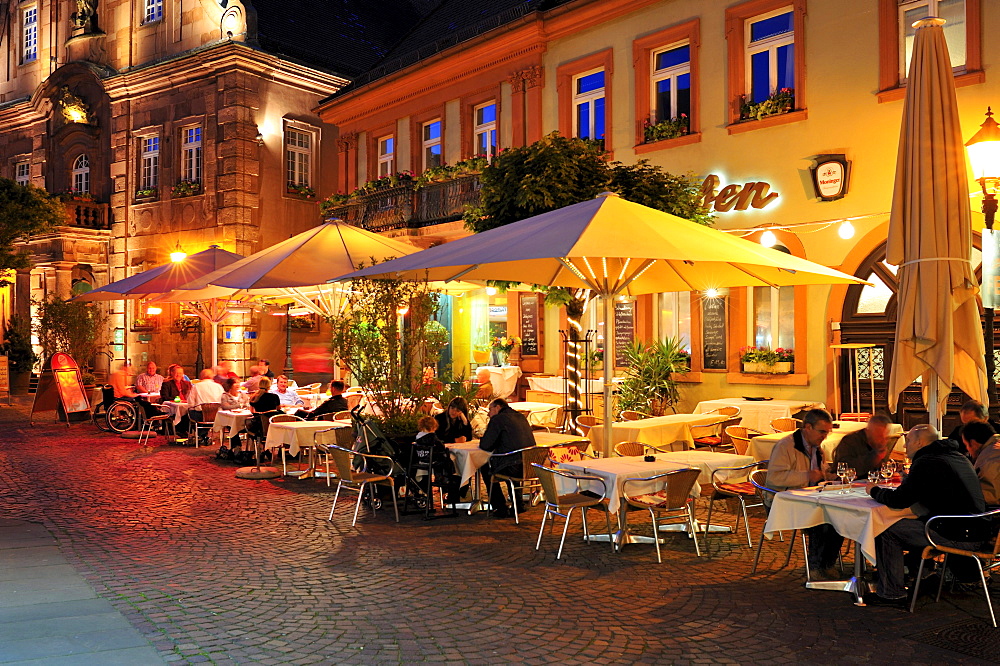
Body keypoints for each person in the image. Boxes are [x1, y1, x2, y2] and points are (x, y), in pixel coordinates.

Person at [865, 424, 988, 606]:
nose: (905, 447)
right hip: (977, 527)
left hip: (957, 532)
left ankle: (891, 593)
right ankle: (921, 571)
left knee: (885, 529)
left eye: (908, 442)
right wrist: (908, 479)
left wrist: (874, 490)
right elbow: (931, 489)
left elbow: (900, 500)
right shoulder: (955, 455)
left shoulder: (928, 461)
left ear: (920, 442)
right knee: (911, 521)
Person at [766, 408, 844, 579]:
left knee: (841, 516)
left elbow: (819, 473)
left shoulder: (817, 449)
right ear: (807, 427)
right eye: (822, 431)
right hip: (783, 501)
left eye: (827, 432)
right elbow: (774, 478)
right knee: (820, 521)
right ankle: (816, 567)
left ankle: (827, 563)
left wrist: (829, 476)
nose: (825, 436)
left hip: (811, 497)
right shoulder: (786, 446)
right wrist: (806, 476)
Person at [479, 398, 535, 518]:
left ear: (498, 407)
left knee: (484, 466)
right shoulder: (520, 416)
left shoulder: (498, 419)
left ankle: (499, 507)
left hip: (512, 466)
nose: (489, 413)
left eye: (490, 409)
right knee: (512, 459)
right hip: (529, 465)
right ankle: (518, 504)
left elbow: (486, 445)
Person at [413, 415, 461, 506]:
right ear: (433, 427)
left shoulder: (417, 438)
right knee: (449, 464)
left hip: (421, 461)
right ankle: (445, 483)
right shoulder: (432, 438)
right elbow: (441, 448)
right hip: (434, 462)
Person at [832, 414, 894, 479]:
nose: (883, 439)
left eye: (885, 436)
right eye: (879, 435)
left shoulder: (880, 445)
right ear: (868, 431)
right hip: (846, 484)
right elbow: (845, 468)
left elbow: (883, 469)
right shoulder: (850, 441)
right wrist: (874, 458)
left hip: (871, 484)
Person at [961, 421, 1000, 506]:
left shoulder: (989, 458)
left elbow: (992, 496)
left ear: (973, 443)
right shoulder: (994, 449)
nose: (967, 450)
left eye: (966, 445)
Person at [159, 365, 194, 436]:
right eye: (176, 373)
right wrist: (177, 400)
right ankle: (180, 431)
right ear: (172, 373)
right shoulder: (167, 384)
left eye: (180, 373)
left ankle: (186, 431)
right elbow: (165, 397)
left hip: (186, 405)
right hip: (173, 407)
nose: (178, 375)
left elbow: (191, 395)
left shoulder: (187, 383)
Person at [246, 377, 281, 441]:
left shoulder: (254, 397)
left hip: (260, 426)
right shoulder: (274, 397)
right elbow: (278, 409)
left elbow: (251, 411)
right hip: (273, 425)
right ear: (269, 386)